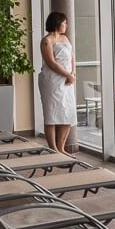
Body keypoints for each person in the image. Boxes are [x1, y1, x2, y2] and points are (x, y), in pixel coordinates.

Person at [39, 11, 76, 155]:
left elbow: (72, 57)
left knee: (68, 112)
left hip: (67, 81)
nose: (66, 25)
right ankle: (53, 149)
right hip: (52, 81)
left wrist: (72, 73)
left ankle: (61, 147)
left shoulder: (65, 38)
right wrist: (68, 74)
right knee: (52, 114)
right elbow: (51, 63)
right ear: (57, 23)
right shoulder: (47, 41)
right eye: (64, 22)